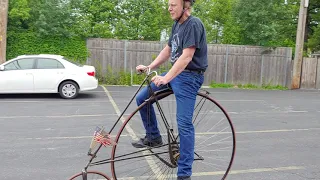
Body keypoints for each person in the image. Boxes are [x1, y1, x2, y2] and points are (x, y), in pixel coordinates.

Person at [131, 0, 207, 179]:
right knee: (142, 98)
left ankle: (184, 174)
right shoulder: (176, 25)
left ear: (186, 5)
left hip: (189, 77)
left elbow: (187, 57)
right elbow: (168, 50)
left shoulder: (194, 24)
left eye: (173, 4)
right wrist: (150, 67)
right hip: (176, 73)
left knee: (184, 124)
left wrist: (166, 77)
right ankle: (153, 137)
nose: (169, 8)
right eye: (169, 4)